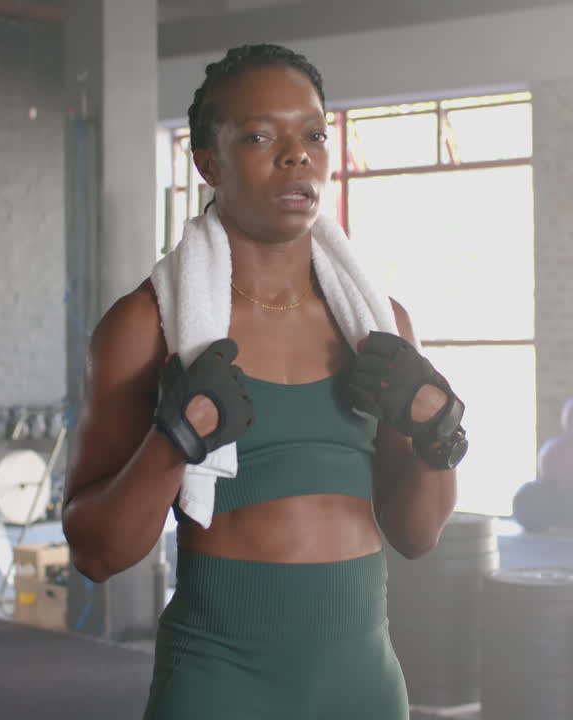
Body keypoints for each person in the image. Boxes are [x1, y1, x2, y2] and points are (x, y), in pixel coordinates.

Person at [61, 44, 467, 720]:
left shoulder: (379, 327)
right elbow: (96, 553)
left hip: (362, 682)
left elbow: (417, 534)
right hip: (220, 681)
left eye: (314, 135)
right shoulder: (146, 326)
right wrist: (174, 440)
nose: (296, 156)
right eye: (258, 137)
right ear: (208, 163)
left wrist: (438, 429)